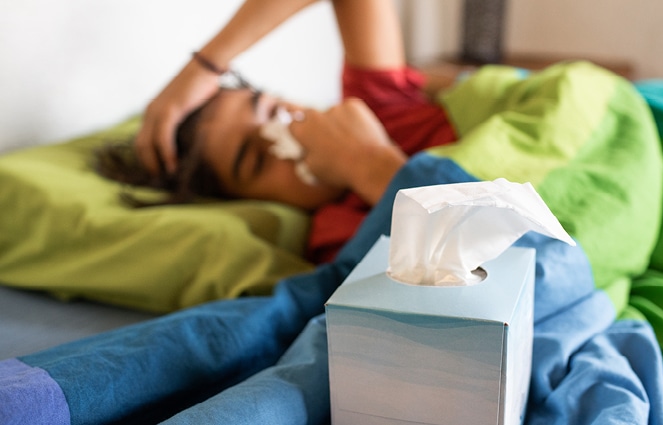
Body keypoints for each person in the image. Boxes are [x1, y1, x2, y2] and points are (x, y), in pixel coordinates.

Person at [109, 0, 457, 264]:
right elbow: (478, 266)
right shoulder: (337, 234)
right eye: (258, 160)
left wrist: (205, 65)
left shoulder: (380, 105)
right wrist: (363, 163)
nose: (283, 133)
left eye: (274, 110)